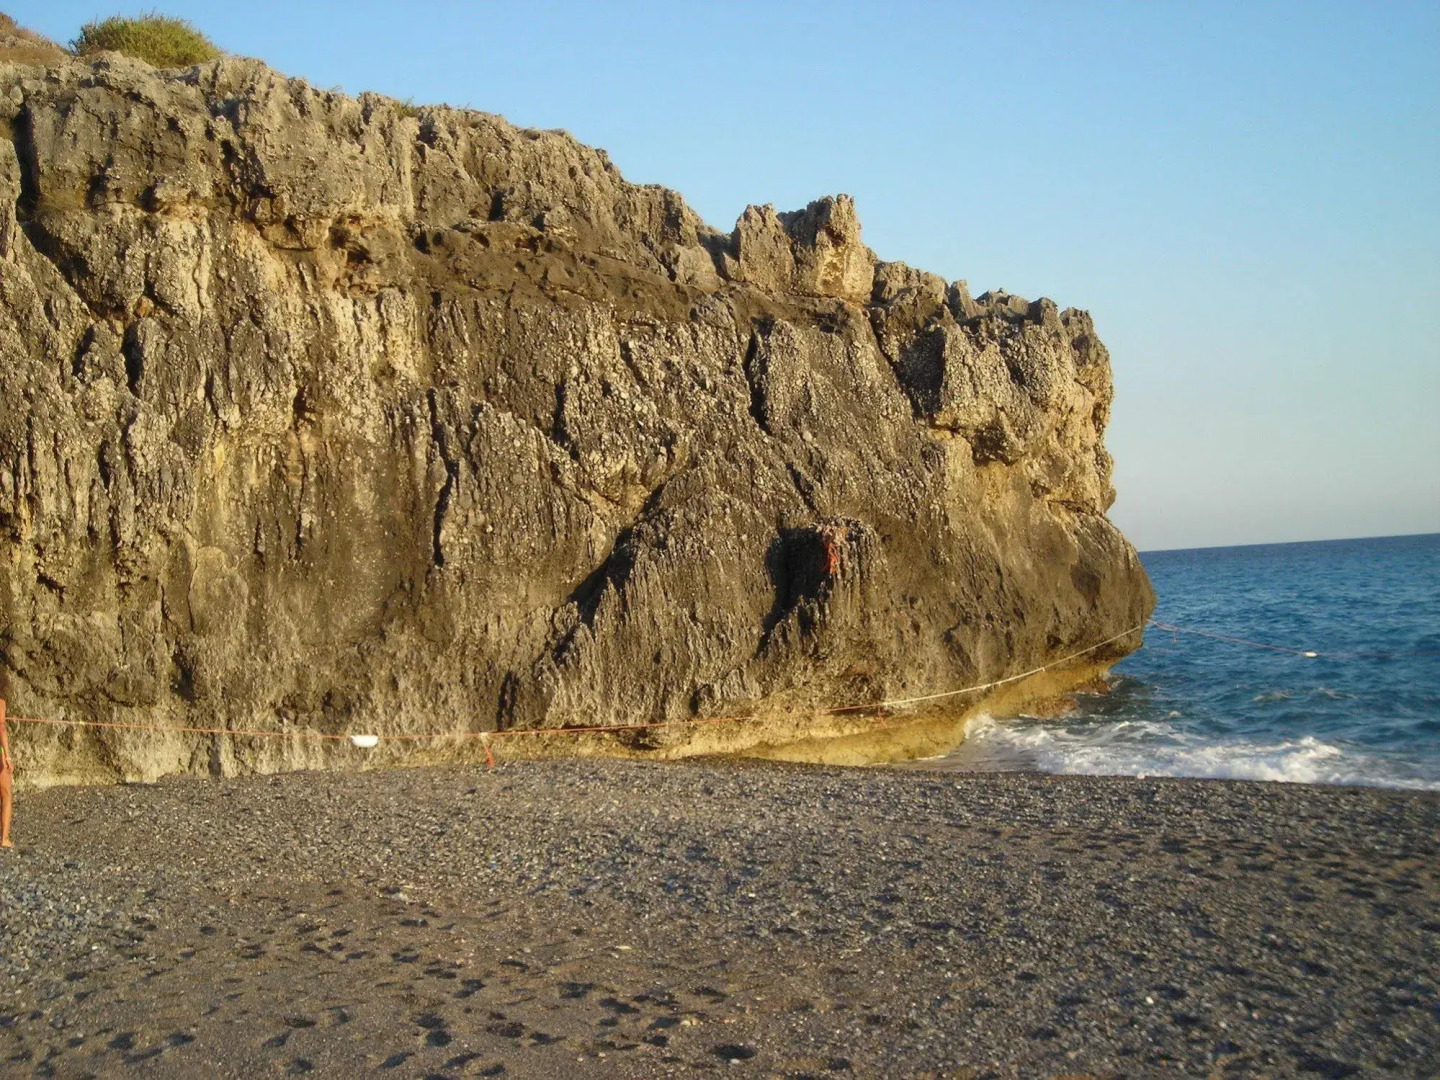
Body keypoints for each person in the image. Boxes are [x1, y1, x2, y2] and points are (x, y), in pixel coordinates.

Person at [0, 671, 12, 848]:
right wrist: (7, 756)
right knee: (6, 794)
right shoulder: (0, 703)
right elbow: (1, 729)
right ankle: (4, 839)